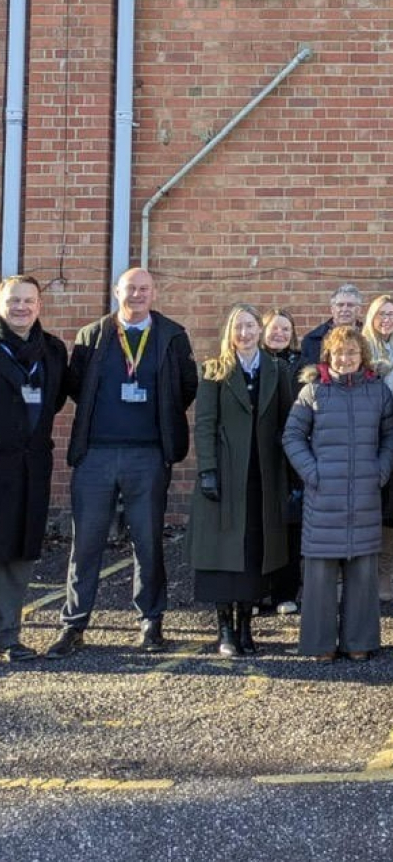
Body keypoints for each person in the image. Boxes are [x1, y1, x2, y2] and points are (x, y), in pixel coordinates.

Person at [47, 267, 198, 658]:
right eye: (130, 288)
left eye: (144, 289)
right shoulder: (92, 335)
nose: (137, 295)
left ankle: (150, 622)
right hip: (96, 454)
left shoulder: (172, 335)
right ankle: (74, 625)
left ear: (154, 293)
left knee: (148, 541)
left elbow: (186, 387)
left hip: (147, 454)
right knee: (86, 543)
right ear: (117, 292)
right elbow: (76, 386)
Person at [282, 325, 393, 662]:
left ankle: (359, 641)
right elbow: (292, 437)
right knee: (319, 576)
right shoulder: (312, 392)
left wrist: (381, 470)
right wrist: (313, 473)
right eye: (339, 352)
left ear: (362, 355)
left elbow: (391, 437)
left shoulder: (377, 392)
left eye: (351, 352)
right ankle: (320, 644)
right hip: (324, 495)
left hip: (365, 493)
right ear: (328, 356)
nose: (345, 358)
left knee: (363, 573)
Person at [189, 305, 296, 656]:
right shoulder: (213, 371)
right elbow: (204, 424)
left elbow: (286, 422)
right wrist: (207, 470)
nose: (245, 334)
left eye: (251, 326)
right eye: (239, 327)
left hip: (262, 478)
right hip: (225, 476)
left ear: (259, 330)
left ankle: (247, 627)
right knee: (223, 555)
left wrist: (290, 473)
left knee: (254, 555)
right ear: (229, 332)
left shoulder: (276, 370)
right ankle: (225, 630)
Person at [0, 275, 69, 663]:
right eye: (13, 301)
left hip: (31, 467)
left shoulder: (54, 351)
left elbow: (54, 400)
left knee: (21, 554)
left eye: (28, 301)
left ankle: (9, 635)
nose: (21, 307)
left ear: (39, 306)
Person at [362, 294, 393, 602]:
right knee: (366, 507)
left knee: (391, 509)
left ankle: (384, 575)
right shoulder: (361, 350)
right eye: (381, 314)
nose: (386, 319)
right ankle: (361, 574)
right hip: (366, 438)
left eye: (391, 314)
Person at [261, 308, 305, 614]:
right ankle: (257, 591)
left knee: (291, 527)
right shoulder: (254, 362)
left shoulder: (303, 366)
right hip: (260, 452)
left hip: (291, 454)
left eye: (286, 330)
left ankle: (286, 592)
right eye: (275, 329)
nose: (280, 334)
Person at [299, 283, 364, 368]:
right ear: (332, 309)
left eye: (350, 305)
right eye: (340, 305)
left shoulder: (368, 336)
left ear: (358, 310)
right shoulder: (312, 340)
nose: (344, 309)